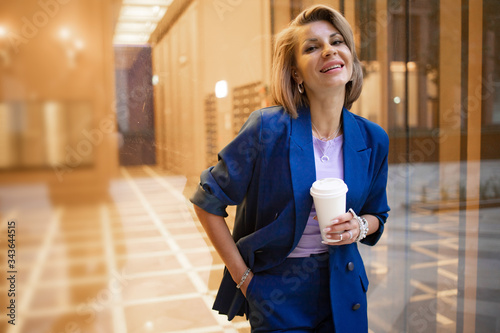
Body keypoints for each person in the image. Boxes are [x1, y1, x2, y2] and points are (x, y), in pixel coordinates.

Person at [190, 4, 390, 332]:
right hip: (277, 293)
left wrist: (358, 228)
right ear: (295, 73)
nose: (328, 50)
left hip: (344, 285)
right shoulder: (267, 128)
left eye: (337, 42)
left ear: (351, 62)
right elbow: (206, 202)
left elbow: (376, 214)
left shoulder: (373, 138)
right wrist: (246, 281)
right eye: (312, 47)